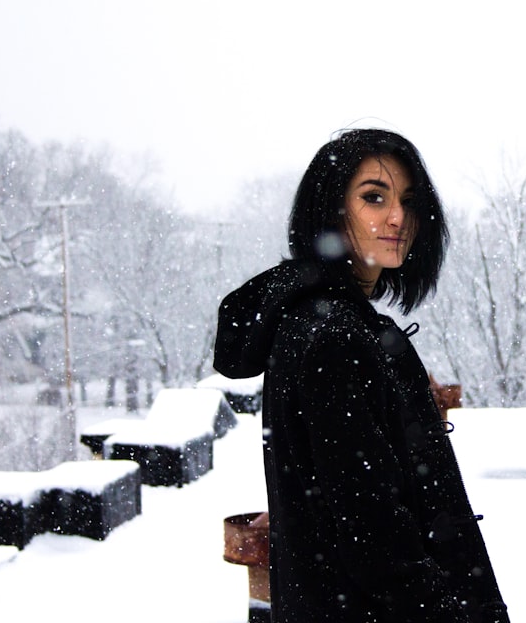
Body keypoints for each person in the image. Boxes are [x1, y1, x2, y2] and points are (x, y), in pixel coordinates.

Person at [213, 129, 510, 623]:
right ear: (330, 210)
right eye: (374, 197)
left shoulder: (325, 323)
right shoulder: (333, 336)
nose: (398, 217)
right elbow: (374, 538)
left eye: (409, 201)